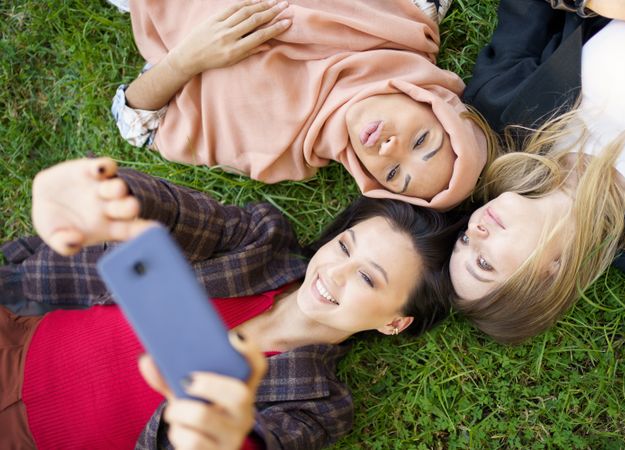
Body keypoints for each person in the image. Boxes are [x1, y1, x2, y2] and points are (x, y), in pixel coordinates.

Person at [0, 157, 466, 449]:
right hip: (18, 328)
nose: (335, 272)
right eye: (345, 246)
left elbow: (264, 442)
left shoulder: (318, 404)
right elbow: (180, 215)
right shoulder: (261, 243)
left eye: (368, 277)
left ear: (394, 323)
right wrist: (110, 195)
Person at [112, 0, 493, 210]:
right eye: (422, 140)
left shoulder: (280, 154)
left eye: (393, 174)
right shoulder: (404, 20)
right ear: (430, 101)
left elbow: (136, 124)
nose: (389, 149)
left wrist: (186, 60)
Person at [448, 5, 625, 344]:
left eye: (463, 241)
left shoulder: (505, 105)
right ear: (548, 276)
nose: (474, 230)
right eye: (484, 262)